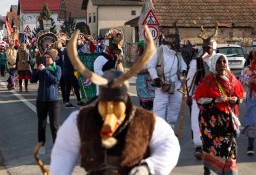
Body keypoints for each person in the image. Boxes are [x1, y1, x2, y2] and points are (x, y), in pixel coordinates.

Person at [49, 27, 180, 175]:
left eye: (117, 105)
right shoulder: (81, 121)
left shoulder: (145, 121)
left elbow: (170, 144)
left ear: (125, 100)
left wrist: (148, 167)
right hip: (101, 88)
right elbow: (63, 152)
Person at [194, 54, 244, 175]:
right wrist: (215, 100)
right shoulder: (208, 81)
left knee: (230, 148)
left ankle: (229, 172)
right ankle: (208, 168)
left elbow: (241, 95)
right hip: (211, 123)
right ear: (214, 64)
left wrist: (235, 100)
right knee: (212, 147)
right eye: (219, 62)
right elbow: (198, 98)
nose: (222, 64)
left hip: (228, 121)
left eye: (224, 62)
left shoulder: (232, 79)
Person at [186, 26, 217, 160]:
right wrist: (188, 95)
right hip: (198, 96)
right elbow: (189, 80)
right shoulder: (196, 62)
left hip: (214, 97)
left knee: (213, 121)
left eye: (208, 48)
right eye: (204, 48)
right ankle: (198, 146)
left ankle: (211, 146)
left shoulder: (219, 61)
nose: (206, 51)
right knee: (196, 120)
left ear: (213, 48)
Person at [147, 33, 187, 130]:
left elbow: (183, 65)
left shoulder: (177, 53)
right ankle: (158, 130)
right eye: (177, 42)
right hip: (162, 83)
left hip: (176, 84)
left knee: (174, 107)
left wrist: (184, 70)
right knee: (159, 107)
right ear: (171, 43)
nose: (178, 44)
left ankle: (170, 128)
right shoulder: (159, 52)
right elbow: (150, 65)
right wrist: (155, 77)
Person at [30, 49, 62, 155]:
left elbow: (55, 80)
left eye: (48, 57)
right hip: (41, 101)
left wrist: (44, 71)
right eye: (45, 57)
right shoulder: (41, 68)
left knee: (54, 126)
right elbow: (32, 80)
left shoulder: (57, 68)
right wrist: (35, 69)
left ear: (52, 59)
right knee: (41, 125)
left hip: (53, 101)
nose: (45, 59)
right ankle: (41, 147)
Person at [240, 49, 256, 156]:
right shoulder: (248, 68)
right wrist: (249, 80)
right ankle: (250, 146)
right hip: (252, 98)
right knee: (251, 122)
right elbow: (241, 79)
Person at [62, 38, 85, 108]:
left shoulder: (66, 50)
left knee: (70, 86)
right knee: (74, 86)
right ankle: (76, 101)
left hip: (67, 71)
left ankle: (69, 101)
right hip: (69, 71)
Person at [135, 40, 155, 110]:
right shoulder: (138, 57)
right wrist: (148, 70)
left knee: (152, 104)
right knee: (145, 104)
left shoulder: (152, 56)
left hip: (150, 83)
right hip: (142, 83)